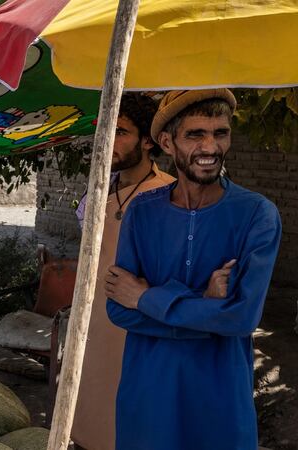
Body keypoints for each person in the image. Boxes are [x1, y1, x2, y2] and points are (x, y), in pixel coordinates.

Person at [105, 89, 281, 449]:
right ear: (167, 143)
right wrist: (203, 303)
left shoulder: (257, 215)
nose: (211, 147)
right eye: (195, 134)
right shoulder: (142, 212)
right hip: (148, 398)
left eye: (220, 133)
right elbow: (118, 308)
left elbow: (241, 319)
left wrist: (145, 297)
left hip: (219, 403)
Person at [71, 93, 175, 450]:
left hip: (137, 329)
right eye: (104, 131)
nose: (108, 142)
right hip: (92, 325)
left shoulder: (167, 196)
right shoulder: (100, 190)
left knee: (131, 425)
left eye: (120, 131)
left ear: (148, 141)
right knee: (86, 419)